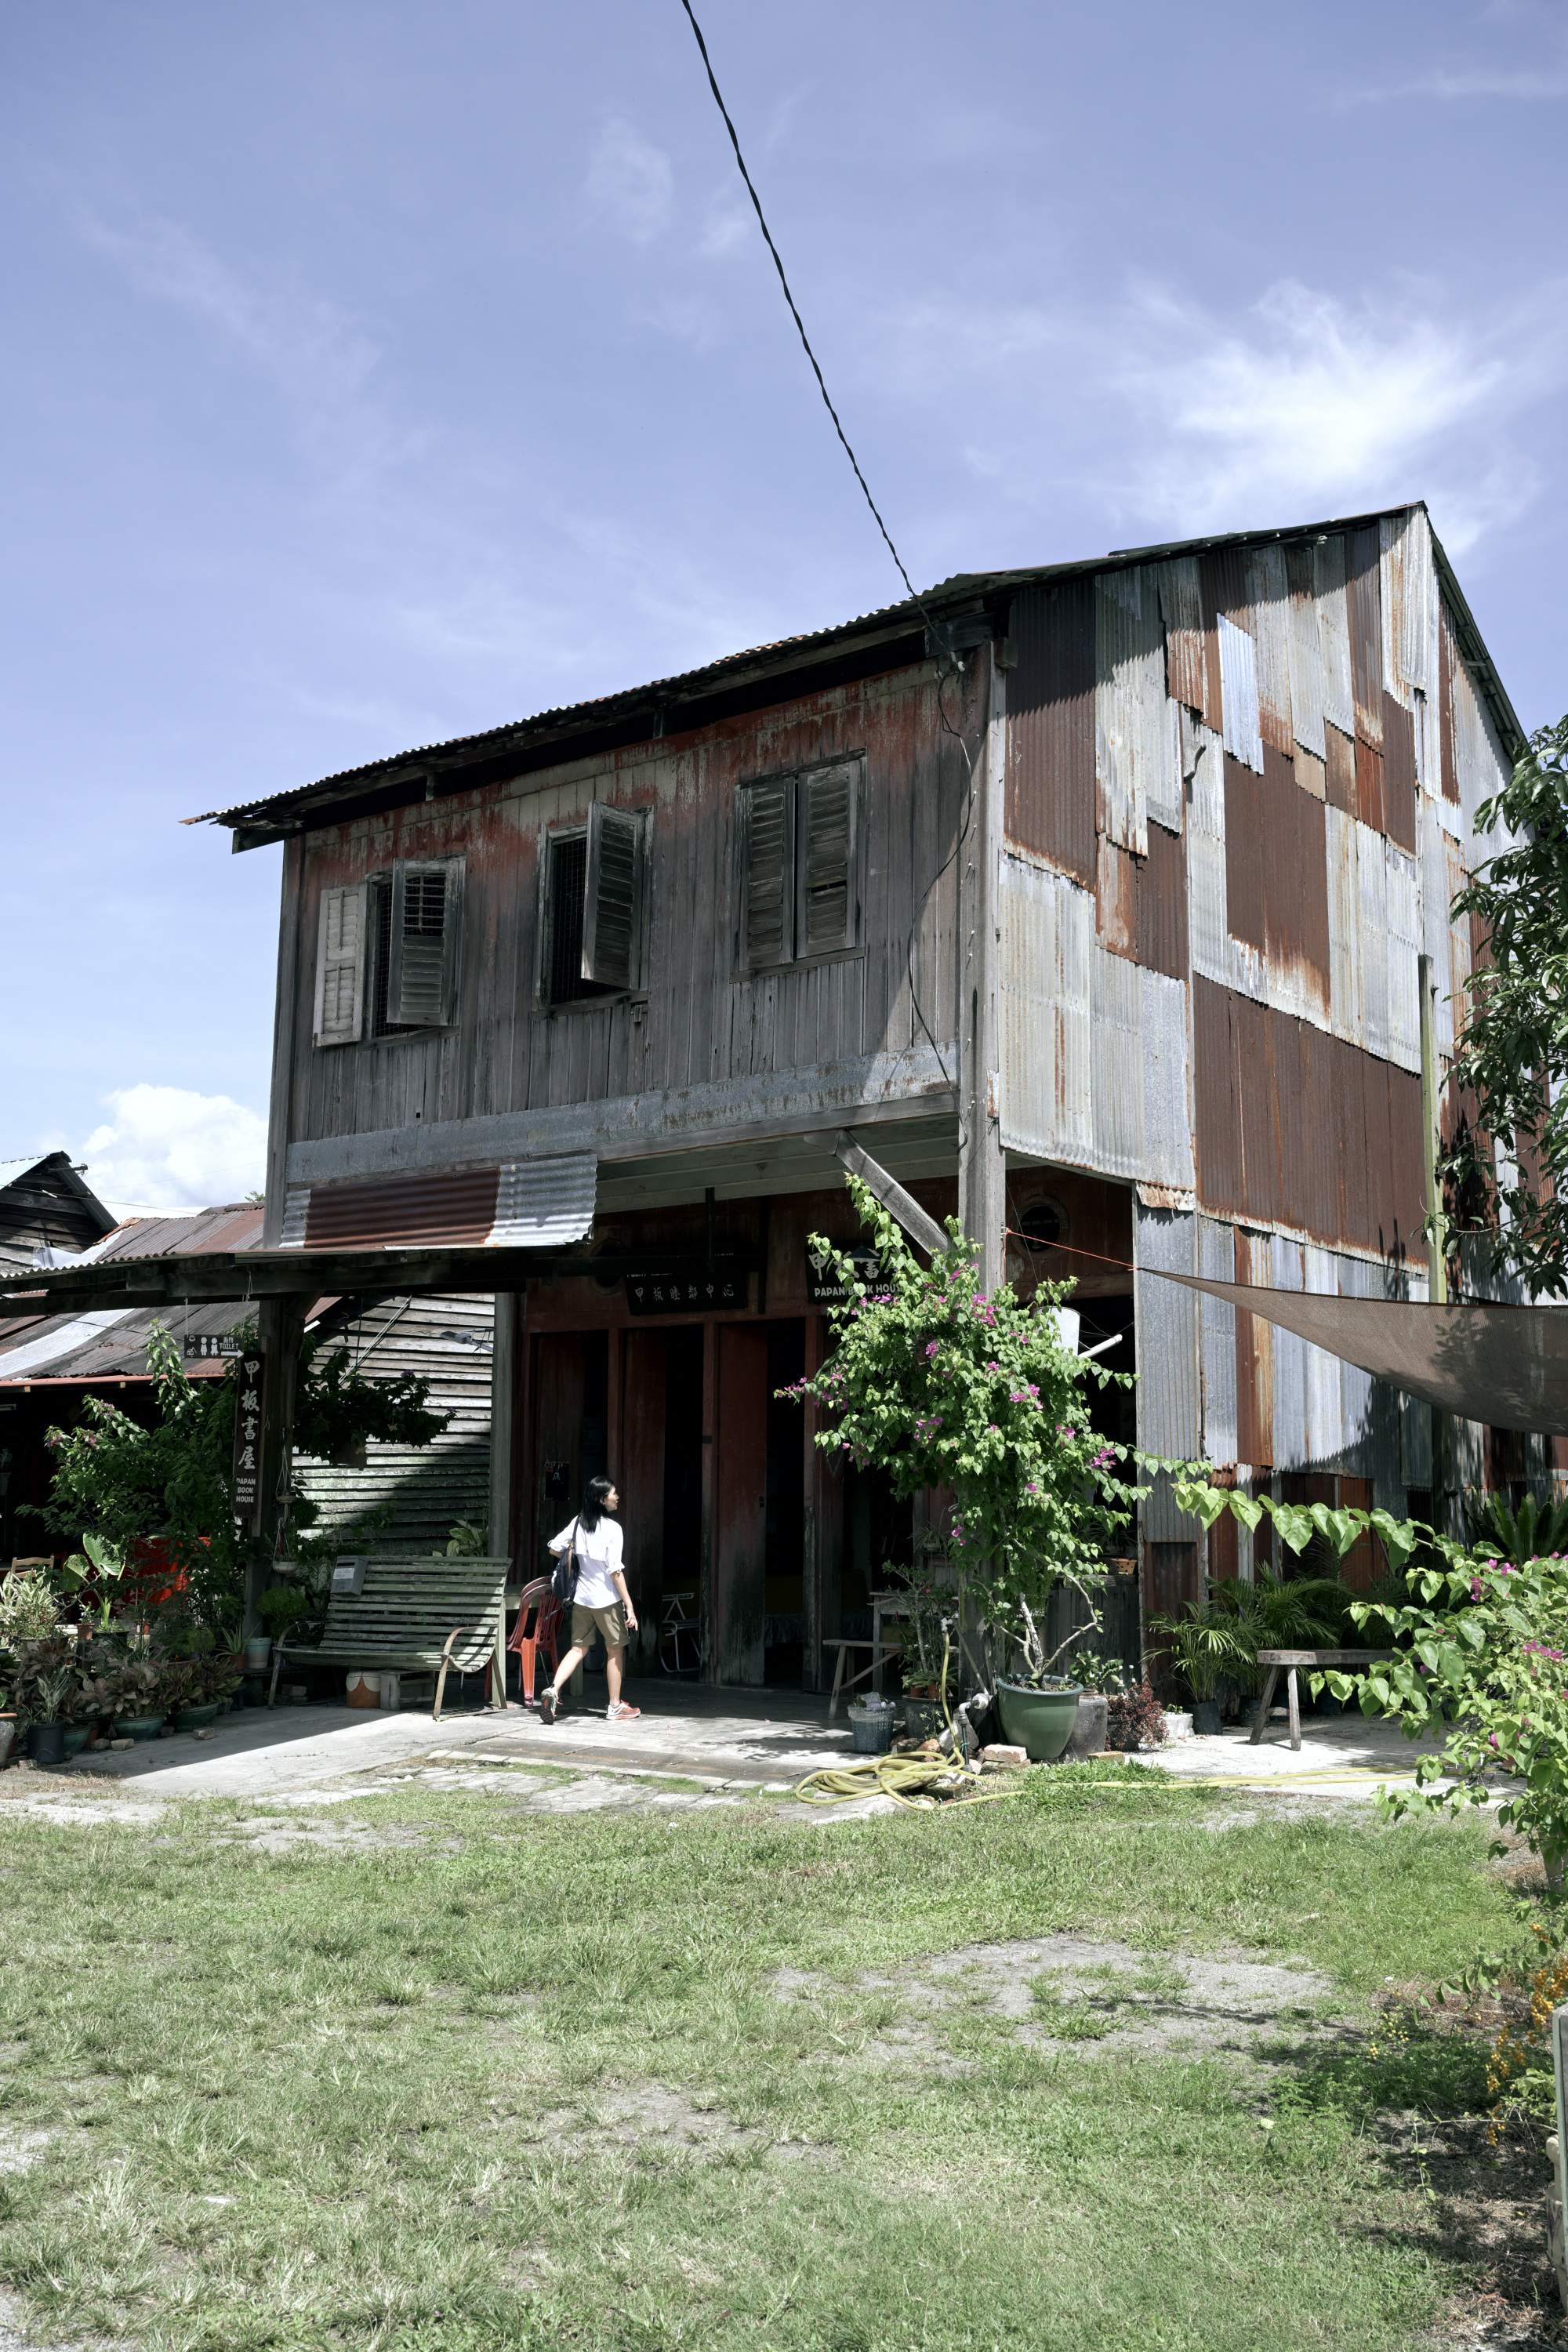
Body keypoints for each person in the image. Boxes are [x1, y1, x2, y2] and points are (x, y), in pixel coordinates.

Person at [539, 1475, 641, 1724]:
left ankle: (553, 1689)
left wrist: (573, 1550)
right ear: (601, 1499)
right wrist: (629, 1605)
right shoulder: (613, 1529)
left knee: (578, 1648)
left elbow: (553, 1547)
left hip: (582, 1598)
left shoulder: (578, 1523)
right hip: (607, 1599)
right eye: (613, 1494)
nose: (617, 1497)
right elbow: (615, 1571)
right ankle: (615, 1706)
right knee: (614, 1650)